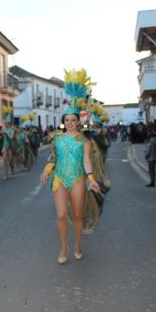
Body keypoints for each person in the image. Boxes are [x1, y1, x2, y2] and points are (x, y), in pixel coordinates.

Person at [39, 69, 105, 264]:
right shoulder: (56, 138)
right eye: (67, 120)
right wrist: (45, 171)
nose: (70, 123)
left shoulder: (83, 140)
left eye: (73, 120)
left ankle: (77, 245)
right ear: (63, 122)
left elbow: (86, 161)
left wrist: (91, 180)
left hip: (77, 179)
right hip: (59, 178)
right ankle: (63, 247)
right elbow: (53, 158)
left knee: (77, 215)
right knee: (60, 215)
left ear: (78, 122)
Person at [1, 107, 17, 179]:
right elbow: (1, 138)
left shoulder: (12, 130)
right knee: (4, 160)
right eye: (5, 123)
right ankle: (5, 174)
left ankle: (12, 170)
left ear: (9, 123)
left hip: (10, 146)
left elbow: (11, 137)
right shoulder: (3, 130)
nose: (6, 124)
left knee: (10, 160)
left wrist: (5, 134)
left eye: (7, 123)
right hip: (5, 146)